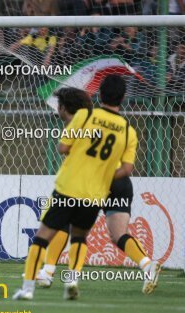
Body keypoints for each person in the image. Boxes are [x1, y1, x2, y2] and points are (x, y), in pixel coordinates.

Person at [13, 75, 138, 300]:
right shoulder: (128, 131)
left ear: (100, 93)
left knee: (42, 237)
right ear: (123, 97)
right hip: (95, 194)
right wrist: (104, 174)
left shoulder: (85, 115)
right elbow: (127, 168)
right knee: (79, 236)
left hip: (68, 187)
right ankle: (71, 279)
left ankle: (28, 288)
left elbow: (63, 147)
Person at [35, 87, 161, 295]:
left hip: (94, 182)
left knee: (64, 223)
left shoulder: (81, 124)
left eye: (59, 107)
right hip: (120, 182)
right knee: (118, 234)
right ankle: (147, 264)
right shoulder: (110, 123)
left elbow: (67, 152)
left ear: (65, 108)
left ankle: (48, 273)